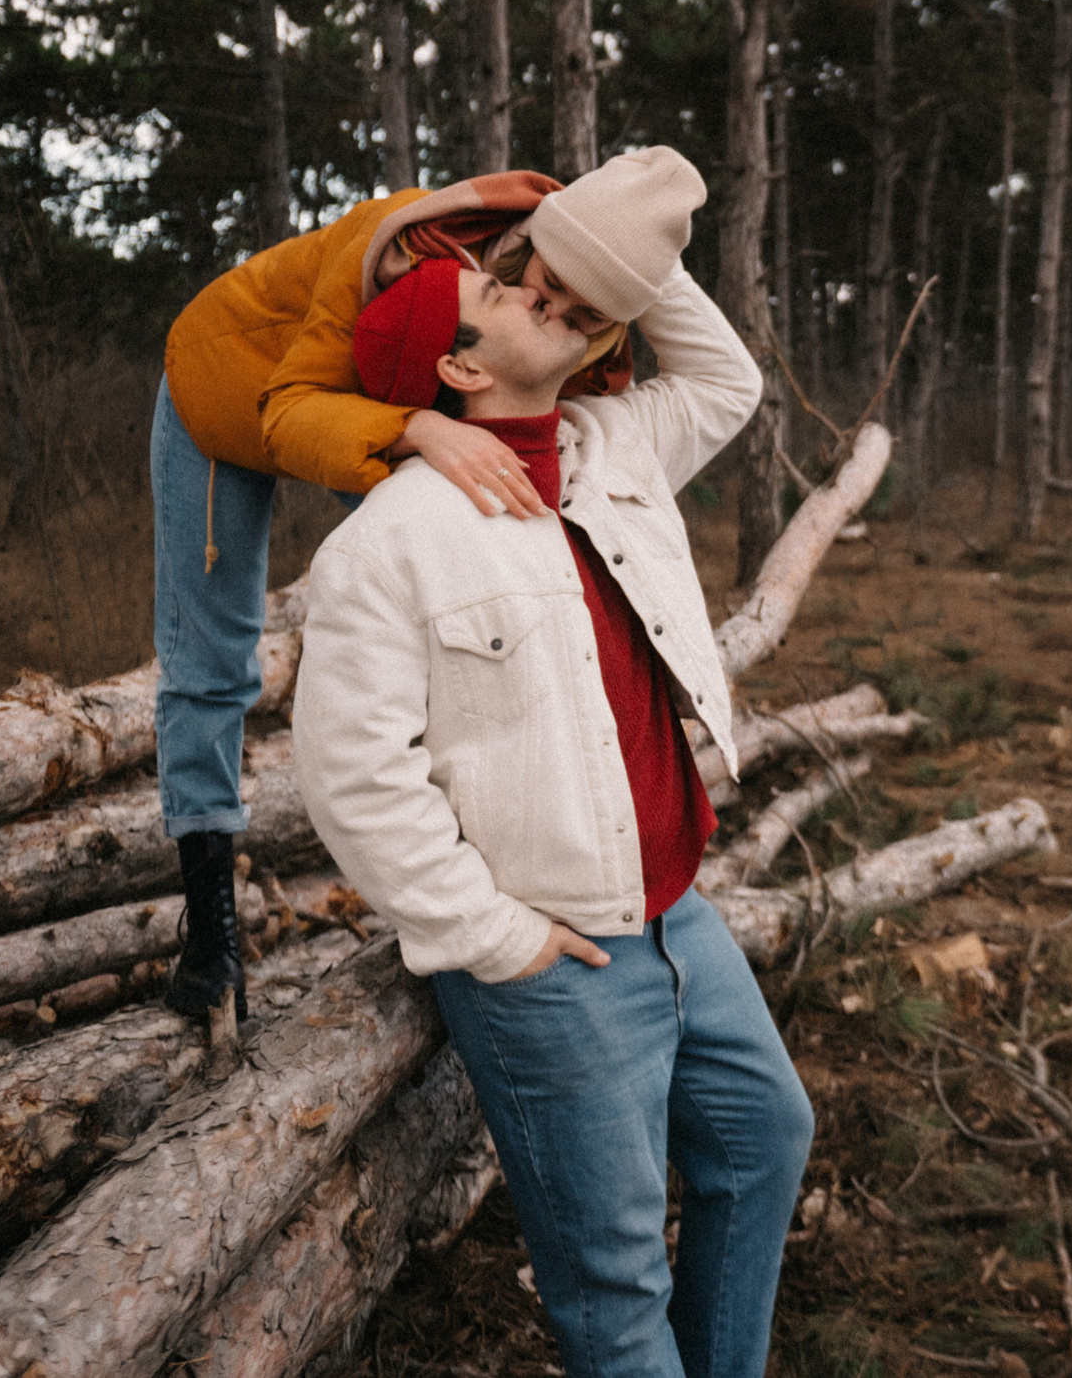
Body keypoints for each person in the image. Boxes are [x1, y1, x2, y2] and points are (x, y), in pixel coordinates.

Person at [290, 148, 812, 1378]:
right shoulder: (391, 544)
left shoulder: (614, 442)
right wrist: (491, 933)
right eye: (507, 295)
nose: (530, 286)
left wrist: (584, 235)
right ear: (459, 368)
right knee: (613, 1276)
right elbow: (353, 773)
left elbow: (728, 376)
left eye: (546, 285)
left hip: (678, 909)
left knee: (762, 1139)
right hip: (558, 956)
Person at [153, 169, 632, 1024]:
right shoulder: (386, 237)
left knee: (464, 590)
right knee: (211, 658)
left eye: (574, 301)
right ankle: (212, 931)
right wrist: (416, 427)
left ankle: (498, 857)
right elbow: (287, 410)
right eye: (540, 290)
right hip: (227, 394)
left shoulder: (569, 277)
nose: (551, 303)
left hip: (402, 388)